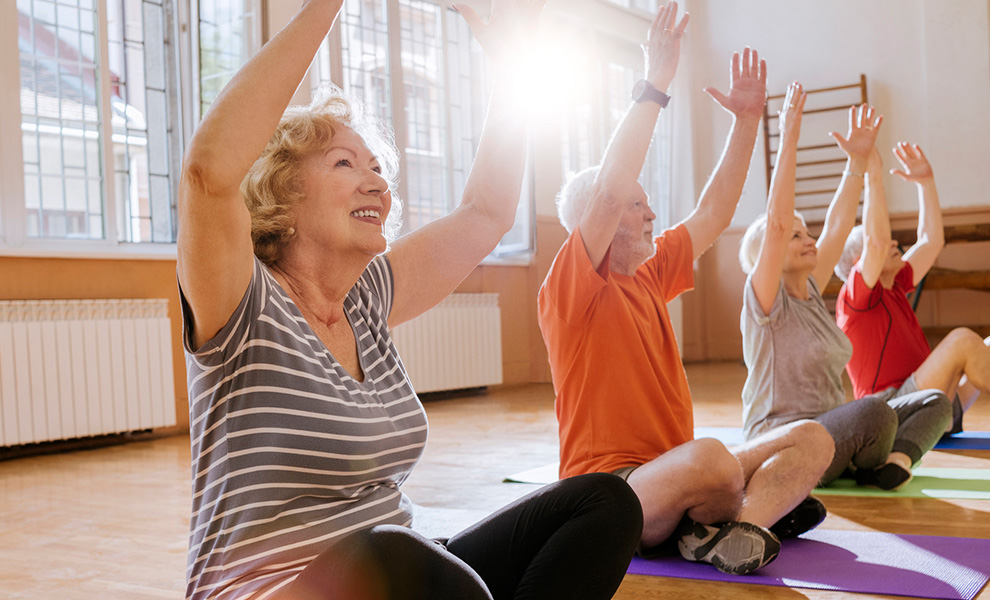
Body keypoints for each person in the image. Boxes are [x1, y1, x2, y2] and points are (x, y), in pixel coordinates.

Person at [177, 1, 643, 599]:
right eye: (344, 164)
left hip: (402, 576)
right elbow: (207, 173)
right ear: (282, 194)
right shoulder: (243, 303)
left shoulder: (367, 297)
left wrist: (509, 74)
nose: (376, 181)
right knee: (395, 554)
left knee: (603, 502)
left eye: (377, 167)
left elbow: (487, 212)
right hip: (274, 590)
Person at [539, 3, 833, 577]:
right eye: (635, 204)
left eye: (648, 203)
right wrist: (656, 83)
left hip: (677, 468)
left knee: (810, 439)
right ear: (596, 223)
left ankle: (736, 528)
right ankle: (731, 517)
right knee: (714, 462)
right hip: (613, 494)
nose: (650, 213)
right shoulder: (570, 287)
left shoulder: (651, 270)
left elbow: (714, 212)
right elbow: (606, 190)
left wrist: (748, 121)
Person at [738, 87, 951, 492]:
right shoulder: (765, 302)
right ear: (769, 254)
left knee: (934, 401)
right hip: (785, 442)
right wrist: (790, 136)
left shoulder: (813, 294)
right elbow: (778, 221)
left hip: (837, 429)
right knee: (872, 413)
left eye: (806, 232)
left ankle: (887, 463)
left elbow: (837, 225)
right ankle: (868, 457)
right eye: (793, 235)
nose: (805, 238)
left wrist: (856, 163)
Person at [834, 142, 990, 433]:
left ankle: (942, 421)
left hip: (929, 404)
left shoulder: (895, 285)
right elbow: (877, 242)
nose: (894, 243)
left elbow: (931, 241)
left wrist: (925, 183)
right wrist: (873, 173)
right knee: (962, 341)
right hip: (889, 412)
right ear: (860, 261)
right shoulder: (854, 300)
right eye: (885, 241)